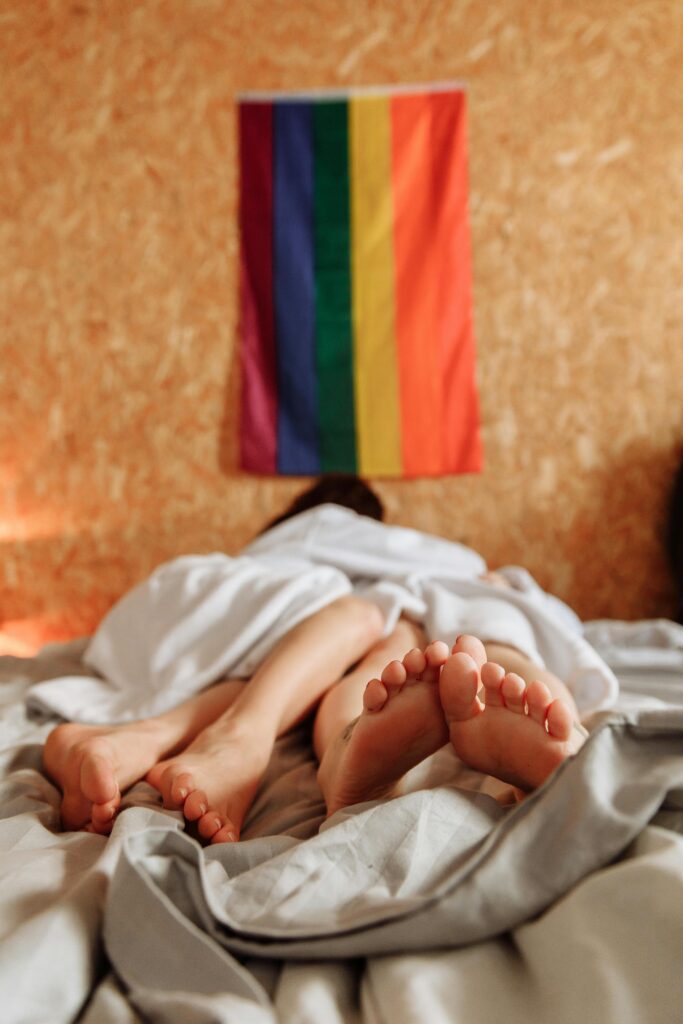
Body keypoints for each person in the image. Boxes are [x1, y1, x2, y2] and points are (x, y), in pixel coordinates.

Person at [43, 477, 587, 844]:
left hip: (264, 651)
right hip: (381, 617)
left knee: (353, 648)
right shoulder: (334, 544)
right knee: (458, 629)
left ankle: (134, 737)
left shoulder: (276, 554)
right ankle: (553, 718)